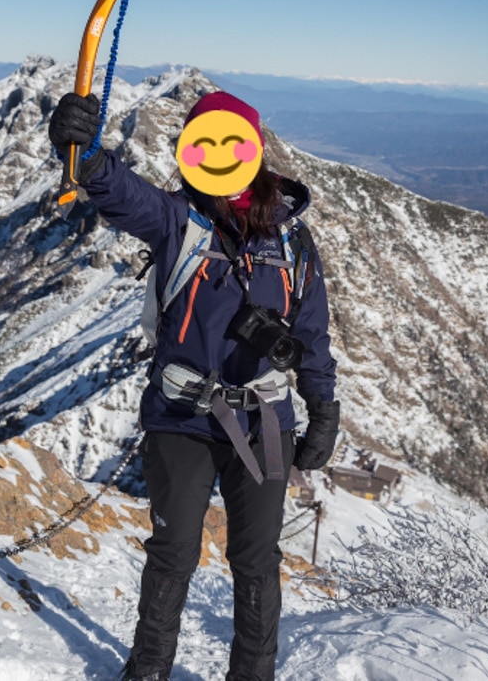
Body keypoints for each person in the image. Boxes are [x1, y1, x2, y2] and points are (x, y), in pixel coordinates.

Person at [48, 89, 340, 681]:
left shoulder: (293, 243)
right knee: (174, 552)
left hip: (263, 423)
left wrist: (323, 407)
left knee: (256, 560)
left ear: (256, 150)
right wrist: (83, 152)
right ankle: (149, 670)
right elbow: (119, 193)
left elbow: (311, 334)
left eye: (231, 142)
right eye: (202, 143)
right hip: (182, 417)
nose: (218, 155)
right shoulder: (178, 218)